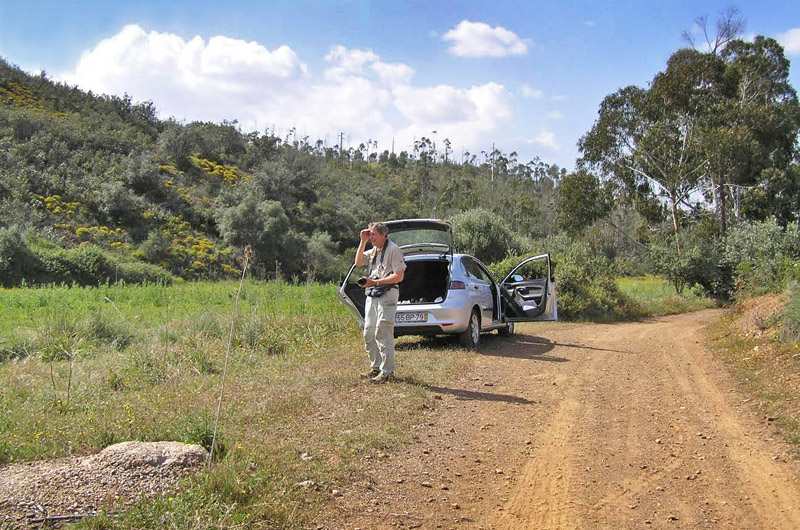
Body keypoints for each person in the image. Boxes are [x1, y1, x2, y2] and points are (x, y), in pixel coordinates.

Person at [354, 222, 406, 384]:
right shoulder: (375, 250)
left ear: (384, 234)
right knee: (369, 332)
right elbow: (358, 262)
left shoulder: (393, 249)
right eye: (370, 234)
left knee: (383, 332)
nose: (371, 237)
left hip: (387, 294)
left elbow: (399, 276)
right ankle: (375, 368)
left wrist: (376, 283)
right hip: (373, 295)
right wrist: (362, 241)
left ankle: (387, 372)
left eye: (373, 234)